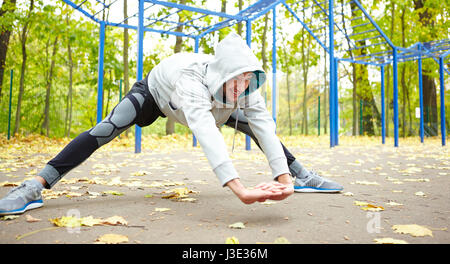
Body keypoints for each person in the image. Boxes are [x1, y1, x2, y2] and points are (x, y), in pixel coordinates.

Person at [0, 33, 342, 215]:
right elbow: (206, 132)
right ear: (224, 74)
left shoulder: (246, 86)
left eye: (248, 81)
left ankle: (302, 176)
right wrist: (240, 189)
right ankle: (33, 186)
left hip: (209, 103)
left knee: (256, 125)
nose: (243, 89)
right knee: (105, 129)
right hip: (157, 94)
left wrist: (281, 179)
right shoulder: (190, 81)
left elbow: (265, 125)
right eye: (237, 81)